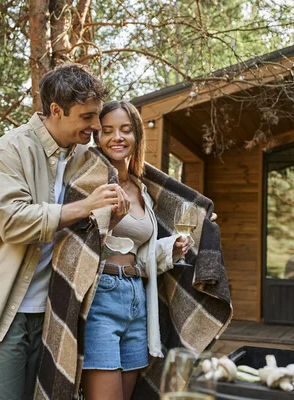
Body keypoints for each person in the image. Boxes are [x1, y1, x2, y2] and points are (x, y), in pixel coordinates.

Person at [0, 64, 130, 400]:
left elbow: (90, 230)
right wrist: (85, 206)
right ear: (56, 110)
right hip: (6, 312)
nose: (96, 125)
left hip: (55, 313)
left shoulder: (85, 158)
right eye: (87, 116)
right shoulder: (11, 149)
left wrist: (113, 216)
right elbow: (14, 222)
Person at [80, 100, 191, 400]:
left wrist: (172, 248)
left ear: (137, 136)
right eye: (108, 130)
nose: (117, 137)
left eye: (126, 130)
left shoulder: (143, 192)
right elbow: (75, 242)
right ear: (97, 137)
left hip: (136, 298)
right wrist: (107, 222)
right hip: (101, 296)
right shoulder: (90, 180)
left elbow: (141, 254)